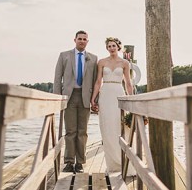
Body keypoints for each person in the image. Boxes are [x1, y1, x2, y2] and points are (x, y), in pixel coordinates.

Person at [53, 30, 98, 174]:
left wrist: (95, 101)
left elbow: (96, 80)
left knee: (82, 132)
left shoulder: (93, 58)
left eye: (85, 39)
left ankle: (80, 163)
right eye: (80, 39)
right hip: (69, 97)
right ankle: (68, 162)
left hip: (85, 97)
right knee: (70, 131)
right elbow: (57, 77)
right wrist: (57, 97)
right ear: (75, 40)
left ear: (87, 41)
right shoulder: (64, 55)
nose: (82, 41)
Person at [90, 36, 134, 173]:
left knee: (119, 126)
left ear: (118, 47)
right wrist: (93, 98)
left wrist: (131, 99)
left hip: (118, 93)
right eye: (109, 46)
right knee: (107, 127)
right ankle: (113, 165)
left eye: (113, 46)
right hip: (105, 95)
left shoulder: (125, 63)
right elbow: (98, 81)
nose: (111, 48)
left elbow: (128, 82)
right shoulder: (101, 62)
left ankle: (124, 161)